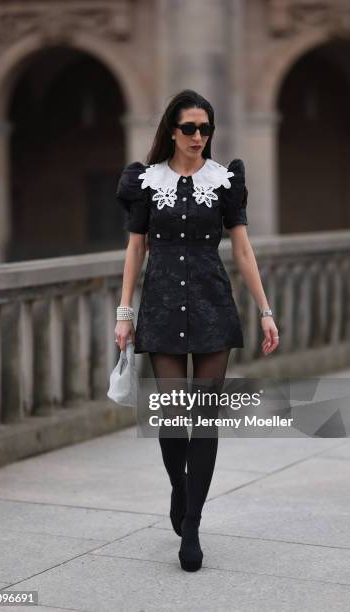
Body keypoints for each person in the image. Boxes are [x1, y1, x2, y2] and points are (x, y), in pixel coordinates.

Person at [114, 89, 279, 572]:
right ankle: (181, 489)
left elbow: (244, 251)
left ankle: (192, 525)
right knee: (169, 415)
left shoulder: (225, 180)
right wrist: (125, 315)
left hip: (211, 306)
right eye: (189, 128)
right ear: (172, 130)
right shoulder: (145, 181)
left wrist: (266, 311)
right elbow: (135, 250)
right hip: (162, 307)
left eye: (205, 129)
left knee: (203, 418)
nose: (198, 137)